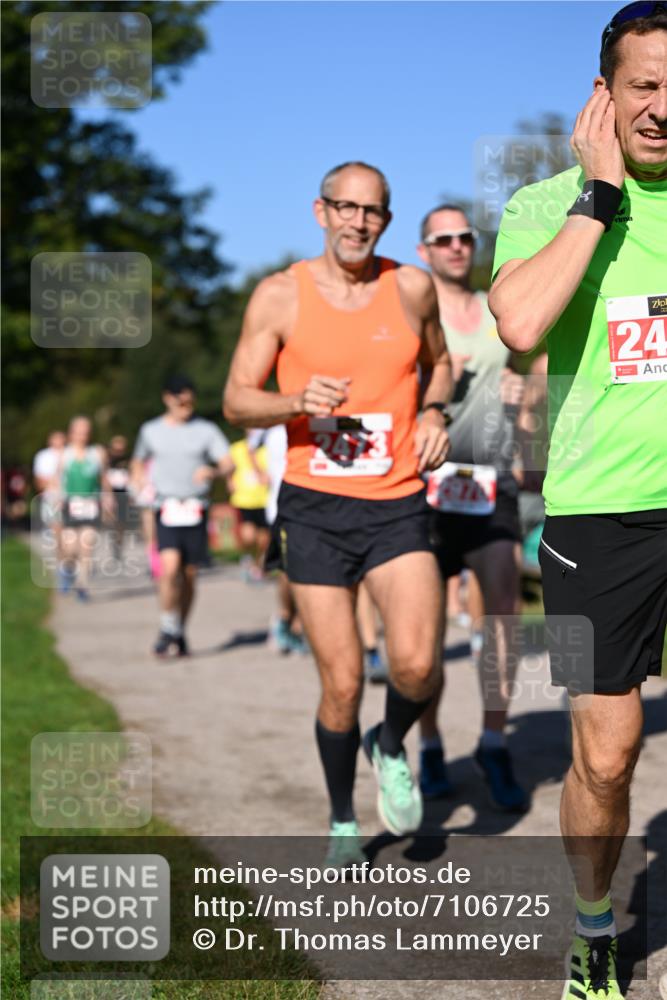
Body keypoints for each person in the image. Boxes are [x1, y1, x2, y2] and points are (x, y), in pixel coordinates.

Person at [489, 5, 667, 997]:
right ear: (603, 93)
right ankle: (594, 922)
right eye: (642, 85)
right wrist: (597, 197)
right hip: (601, 516)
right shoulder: (547, 205)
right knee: (607, 752)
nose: (662, 108)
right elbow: (516, 323)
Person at [224, 161, 451, 865]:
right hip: (314, 509)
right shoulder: (277, 297)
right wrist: (294, 402)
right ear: (319, 212)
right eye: (345, 208)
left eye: (373, 211)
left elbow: (439, 364)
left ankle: (388, 744)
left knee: (416, 666)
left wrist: (436, 409)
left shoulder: (410, 287)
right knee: (343, 683)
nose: (357, 222)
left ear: (385, 219)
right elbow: (235, 400)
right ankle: (340, 818)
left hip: (396, 500)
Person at [417, 204, 528, 811]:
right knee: (425, 631)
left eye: (466, 237)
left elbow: (525, 364)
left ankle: (493, 740)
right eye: (444, 239)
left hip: (490, 482)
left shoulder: (494, 305)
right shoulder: (411, 307)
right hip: (426, 485)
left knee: (502, 621)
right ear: (424, 250)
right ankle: (431, 746)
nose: (458, 246)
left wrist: (520, 390)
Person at [131, 375, 234, 658]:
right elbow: (138, 460)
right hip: (166, 507)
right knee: (169, 567)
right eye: (180, 399)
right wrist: (138, 479)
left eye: (190, 399)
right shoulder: (151, 430)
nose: (185, 404)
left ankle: (179, 629)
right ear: (167, 398)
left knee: (189, 575)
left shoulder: (206, 430)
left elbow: (228, 463)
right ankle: (167, 626)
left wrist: (213, 472)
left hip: (196, 508)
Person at [59, 417, 112, 601]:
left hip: (91, 504)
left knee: (87, 545)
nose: (83, 435)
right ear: (71, 433)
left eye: (86, 431)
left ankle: (82, 586)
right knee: (70, 549)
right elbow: (57, 479)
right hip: (70, 504)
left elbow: (104, 477)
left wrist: (109, 497)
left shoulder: (97, 453)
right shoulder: (65, 454)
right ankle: (67, 570)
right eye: (79, 431)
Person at [227, 430, 271, 583]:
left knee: (264, 539)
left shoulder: (268, 447)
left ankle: (257, 565)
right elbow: (228, 468)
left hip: (264, 499)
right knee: (249, 535)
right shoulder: (236, 448)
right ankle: (248, 557)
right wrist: (229, 480)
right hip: (243, 499)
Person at [107, 434, 131, 563]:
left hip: (123, 493)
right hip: (110, 493)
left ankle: (118, 544)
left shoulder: (127, 460)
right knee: (111, 521)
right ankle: (113, 542)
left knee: (122, 523)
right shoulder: (107, 460)